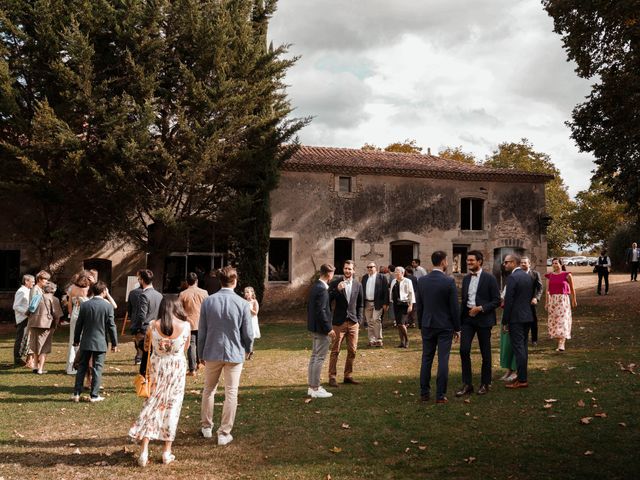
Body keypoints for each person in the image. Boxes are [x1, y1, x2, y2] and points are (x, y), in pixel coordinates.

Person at [129, 296, 190, 467]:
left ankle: (144, 451)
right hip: (176, 369)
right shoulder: (185, 326)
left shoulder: (152, 326)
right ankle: (166, 451)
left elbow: (146, 347)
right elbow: (186, 348)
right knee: (172, 407)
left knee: (153, 405)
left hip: (157, 368)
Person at [199, 266, 253, 446]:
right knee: (231, 392)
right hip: (234, 352)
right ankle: (223, 432)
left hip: (213, 351)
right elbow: (248, 332)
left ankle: (206, 426)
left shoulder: (208, 301)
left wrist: (200, 353)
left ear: (220, 281)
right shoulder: (242, 303)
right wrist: (249, 347)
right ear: (235, 281)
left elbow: (202, 331)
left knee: (209, 389)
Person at [416, 251, 460, 404]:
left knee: (426, 358)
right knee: (443, 360)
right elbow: (454, 308)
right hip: (444, 325)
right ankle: (440, 395)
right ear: (443, 262)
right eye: (447, 261)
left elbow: (419, 306)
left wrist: (421, 324)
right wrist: (457, 328)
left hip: (428, 324)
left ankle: (424, 393)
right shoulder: (449, 281)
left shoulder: (422, 281)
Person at [456, 250, 500, 397]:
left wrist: (480, 308)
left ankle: (485, 383)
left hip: (484, 319)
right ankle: (467, 384)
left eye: (471, 261)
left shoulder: (490, 279)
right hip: (468, 319)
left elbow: (497, 301)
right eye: (468, 261)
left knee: (485, 352)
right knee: (463, 350)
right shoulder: (467, 279)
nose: (469, 263)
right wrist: (459, 323)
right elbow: (464, 300)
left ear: (480, 261)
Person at [71, 281, 118, 402]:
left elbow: (79, 325)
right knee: (97, 368)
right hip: (100, 341)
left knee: (82, 367)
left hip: (86, 341)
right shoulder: (107, 306)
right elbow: (111, 326)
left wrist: (76, 340)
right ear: (103, 292)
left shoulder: (85, 305)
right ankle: (94, 395)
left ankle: (76, 393)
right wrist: (114, 343)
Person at [328, 260, 364, 387]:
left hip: (353, 322)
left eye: (350, 269)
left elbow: (360, 304)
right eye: (345, 268)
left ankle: (348, 375)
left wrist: (359, 320)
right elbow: (328, 300)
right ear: (343, 269)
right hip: (339, 323)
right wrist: (337, 290)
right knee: (335, 350)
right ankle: (332, 376)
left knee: (352, 350)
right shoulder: (335, 283)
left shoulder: (358, 285)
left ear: (354, 270)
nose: (347, 271)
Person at [502, 254, 534, 389]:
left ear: (514, 263)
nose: (504, 265)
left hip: (516, 318)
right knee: (523, 349)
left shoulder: (513, 278)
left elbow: (509, 301)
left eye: (506, 262)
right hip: (527, 316)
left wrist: (505, 321)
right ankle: (522, 378)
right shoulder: (528, 276)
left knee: (519, 349)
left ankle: (522, 379)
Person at [307, 263, 337, 398]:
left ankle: (312, 387)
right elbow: (321, 311)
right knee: (319, 358)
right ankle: (315, 387)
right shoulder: (321, 289)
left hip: (314, 328)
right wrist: (328, 329)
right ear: (329, 274)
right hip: (321, 329)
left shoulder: (316, 287)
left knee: (314, 357)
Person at [131, 269, 163, 376]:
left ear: (142, 280)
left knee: (145, 355)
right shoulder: (159, 295)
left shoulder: (143, 295)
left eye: (139, 279)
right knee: (152, 355)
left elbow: (141, 315)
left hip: (145, 329)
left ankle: (144, 376)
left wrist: (137, 329)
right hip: (157, 329)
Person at [27, 281, 63, 374]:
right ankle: (40, 369)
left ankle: (35, 366)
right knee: (44, 347)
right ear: (53, 289)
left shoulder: (37, 297)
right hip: (46, 325)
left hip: (33, 323)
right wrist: (55, 326)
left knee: (35, 345)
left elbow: (29, 311)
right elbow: (57, 315)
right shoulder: (54, 299)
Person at [545, 258, 577, 352]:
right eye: (553, 263)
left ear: (560, 264)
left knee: (562, 321)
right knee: (555, 321)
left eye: (556, 263)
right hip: (553, 301)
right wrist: (547, 302)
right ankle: (559, 340)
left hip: (563, 300)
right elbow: (547, 291)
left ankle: (561, 343)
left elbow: (572, 288)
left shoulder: (567, 275)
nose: (555, 265)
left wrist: (574, 300)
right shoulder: (549, 276)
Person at [179, 272, 209, 375]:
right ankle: (200, 362)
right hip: (202, 321)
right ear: (197, 281)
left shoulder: (183, 294)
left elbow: (179, 310)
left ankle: (192, 369)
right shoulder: (204, 293)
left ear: (187, 282)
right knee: (201, 343)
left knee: (191, 345)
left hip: (189, 322)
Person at [65, 272, 93, 375]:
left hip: (75, 315)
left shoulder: (72, 288)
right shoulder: (88, 289)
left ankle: (70, 366)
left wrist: (72, 315)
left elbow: (69, 304)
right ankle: (79, 365)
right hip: (85, 316)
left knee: (73, 339)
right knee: (83, 339)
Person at [361, 262, 389, 347]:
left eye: (371, 267)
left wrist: (385, 303)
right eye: (368, 267)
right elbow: (362, 290)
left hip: (378, 303)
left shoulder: (382, 277)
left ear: (375, 268)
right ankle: (371, 340)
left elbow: (386, 291)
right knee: (369, 322)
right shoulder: (365, 277)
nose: (369, 268)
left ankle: (379, 340)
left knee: (376, 320)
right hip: (367, 302)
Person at [389, 266, 415, 349]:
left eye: (397, 272)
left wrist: (411, 305)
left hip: (404, 304)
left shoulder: (408, 281)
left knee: (402, 323)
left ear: (402, 273)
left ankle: (407, 340)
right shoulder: (394, 281)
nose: (396, 273)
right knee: (398, 324)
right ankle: (402, 342)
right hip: (396, 304)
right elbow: (391, 292)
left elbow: (411, 293)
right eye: (395, 272)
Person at [13, 274, 35, 367]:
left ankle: (25, 358)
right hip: (22, 318)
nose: (33, 283)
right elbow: (15, 306)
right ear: (26, 281)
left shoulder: (28, 290)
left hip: (27, 317)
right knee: (20, 338)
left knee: (25, 338)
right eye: (32, 281)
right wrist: (26, 312)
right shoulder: (21, 291)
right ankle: (17, 359)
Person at [520, 256, 543, 345]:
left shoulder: (535, 274)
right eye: (521, 263)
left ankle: (534, 340)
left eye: (524, 262)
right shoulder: (517, 274)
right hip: (520, 303)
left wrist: (536, 298)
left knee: (533, 321)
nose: (522, 264)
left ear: (529, 264)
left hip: (531, 302)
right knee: (521, 321)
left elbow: (540, 288)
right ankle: (522, 339)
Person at [127, 278, 144, 365]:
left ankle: (138, 357)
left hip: (135, 320)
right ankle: (141, 357)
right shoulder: (153, 293)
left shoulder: (132, 293)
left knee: (137, 339)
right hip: (147, 320)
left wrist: (130, 317)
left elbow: (129, 308)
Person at [243, 286, 261, 359]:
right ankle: (249, 350)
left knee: (251, 336)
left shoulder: (254, 301)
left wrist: (249, 308)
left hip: (252, 320)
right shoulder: (244, 301)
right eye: (245, 292)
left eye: (248, 292)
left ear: (252, 293)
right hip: (245, 320)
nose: (246, 293)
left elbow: (255, 312)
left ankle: (249, 351)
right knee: (245, 336)